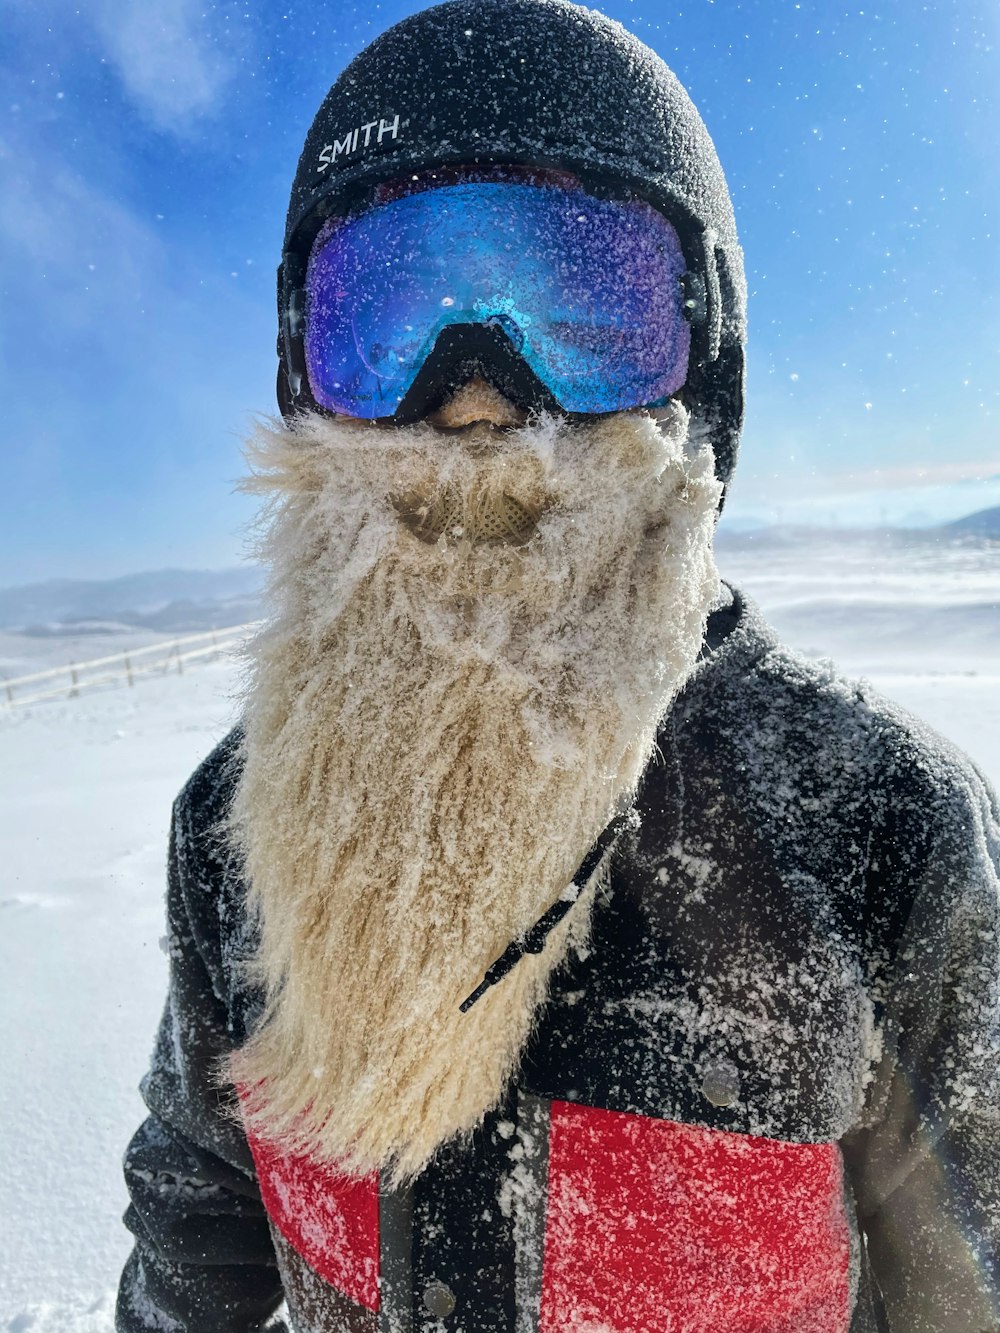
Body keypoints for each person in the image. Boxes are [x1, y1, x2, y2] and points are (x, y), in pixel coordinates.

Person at [116, 1, 1000, 1330]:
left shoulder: (877, 826)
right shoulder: (233, 832)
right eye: (388, 320)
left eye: (585, 306)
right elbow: (198, 1226)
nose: (475, 395)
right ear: (303, 368)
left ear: (705, 361)